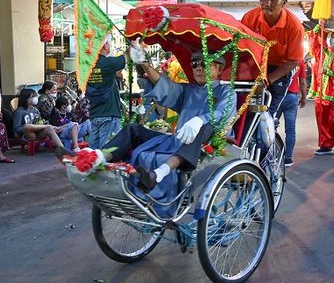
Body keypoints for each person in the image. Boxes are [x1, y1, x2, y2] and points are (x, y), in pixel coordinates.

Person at [87, 44, 236, 192]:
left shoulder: (226, 91)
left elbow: (222, 113)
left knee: (204, 128)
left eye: (205, 63)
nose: (199, 68)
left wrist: (200, 120)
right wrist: (144, 63)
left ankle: (159, 173)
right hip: (176, 140)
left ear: (219, 69)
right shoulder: (187, 90)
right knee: (133, 129)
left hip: (205, 142)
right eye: (195, 64)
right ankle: (98, 159)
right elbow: (165, 87)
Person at [241, 0, 303, 117]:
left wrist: (269, 79)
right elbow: (241, 47)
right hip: (255, 66)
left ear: (283, 2)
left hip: (280, 70)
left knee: (268, 113)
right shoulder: (249, 18)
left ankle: (270, 134)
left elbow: (294, 61)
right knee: (245, 111)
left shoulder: (295, 27)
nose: (266, 3)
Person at [308, 27, 334, 155]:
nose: (331, 39)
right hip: (321, 91)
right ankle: (325, 144)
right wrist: (318, 27)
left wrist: (329, 72)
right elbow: (312, 42)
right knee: (322, 119)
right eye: (330, 36)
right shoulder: (321, 52)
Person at [86, 35, 126, 149]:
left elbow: (115, 73)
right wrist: (134, 45)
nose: (110, 46)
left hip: (95, 114)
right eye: (108, 43)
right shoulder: (106, 63)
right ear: (104, 46)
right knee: (107, 153)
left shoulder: (88, 65)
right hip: (109, 114)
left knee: (94, 155)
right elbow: (126, 56)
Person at [12, 88, 69, 157]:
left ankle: (62, 149)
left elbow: (40, 122)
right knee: (27, 126)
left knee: (49, 128)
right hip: (27, 135)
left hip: (38, 133)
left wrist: (43, 125)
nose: (35, 98)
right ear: (26, 99)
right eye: (32, 97)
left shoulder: (35, 110)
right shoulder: (19, 112)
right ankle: (48, 127)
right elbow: (16, 129)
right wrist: (30, 127)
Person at [275, 58, 307, 166]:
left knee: (271, 126)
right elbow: (302, 82)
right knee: (290, 130)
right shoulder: (300, 61)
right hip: (292, 97)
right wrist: (304, 97)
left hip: (277, 96)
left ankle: (269, 154)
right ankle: (288, 158)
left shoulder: (279, 58)